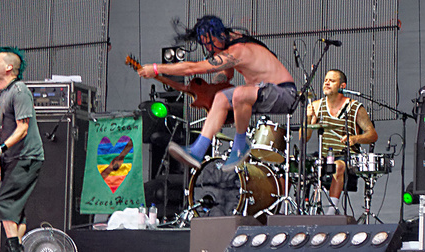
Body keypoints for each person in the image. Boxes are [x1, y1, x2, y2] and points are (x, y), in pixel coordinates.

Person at [136, 15, 297, 169]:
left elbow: (193, 68)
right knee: (221, 97)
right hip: (262, 93)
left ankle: (241, 145)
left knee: (239, 94)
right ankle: (197, 151)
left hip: (284, 92)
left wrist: (157, 68)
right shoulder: (230, 39)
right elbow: (227, 74)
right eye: (205, 44)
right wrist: (212, 87)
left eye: (210, 43)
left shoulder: (238, 50)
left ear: (220, 35)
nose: (209, 48)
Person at [0, 48, 43, 252]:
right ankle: (16, 247)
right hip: (10, 156)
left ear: (9, 67)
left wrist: (1, 148)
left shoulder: (19, 90)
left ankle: (14, 249)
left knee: (4, 201)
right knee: (15, 211)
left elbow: (23, 128)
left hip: (27, 156)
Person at [305, 69, 377, 214]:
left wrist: (356, 138)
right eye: (325, 80)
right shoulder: (316, 106)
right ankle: (300, 210)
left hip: (346, 156)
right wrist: (309, 120)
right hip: (324, 154)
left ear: (342, 86)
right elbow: (303, 138)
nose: (327, 83)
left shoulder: (355, 107)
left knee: (337, 166)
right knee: (296, 164)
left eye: (331, 81)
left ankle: (331, 212)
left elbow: (373, 135)